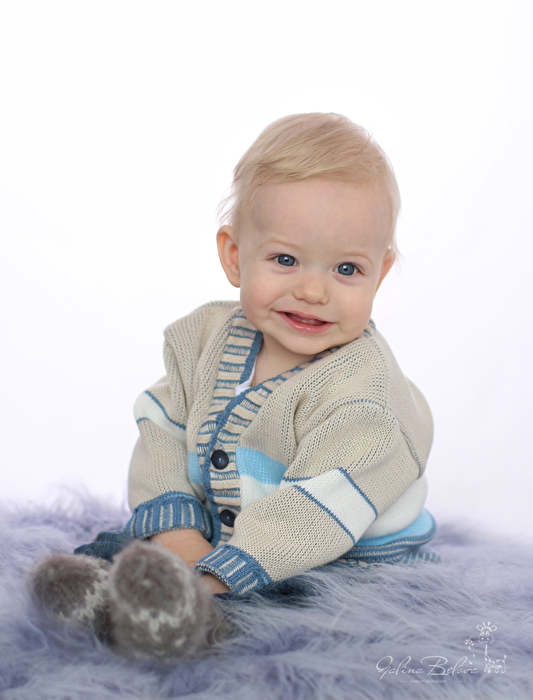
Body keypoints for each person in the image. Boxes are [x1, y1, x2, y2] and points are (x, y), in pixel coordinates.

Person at [30, 112, 438, 661]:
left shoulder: (366, 399)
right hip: (218, 534)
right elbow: (162, 435)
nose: (313, 290)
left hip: (334, 549)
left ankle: (193, 620)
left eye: (346, 270)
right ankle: (103, 599)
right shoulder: (203, 339)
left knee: (296, 598)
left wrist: (211, 576)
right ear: (234, 256)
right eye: (286, 260)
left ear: (380, 274)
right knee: (121, 546)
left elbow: (309, 518)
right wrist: (177, 538)